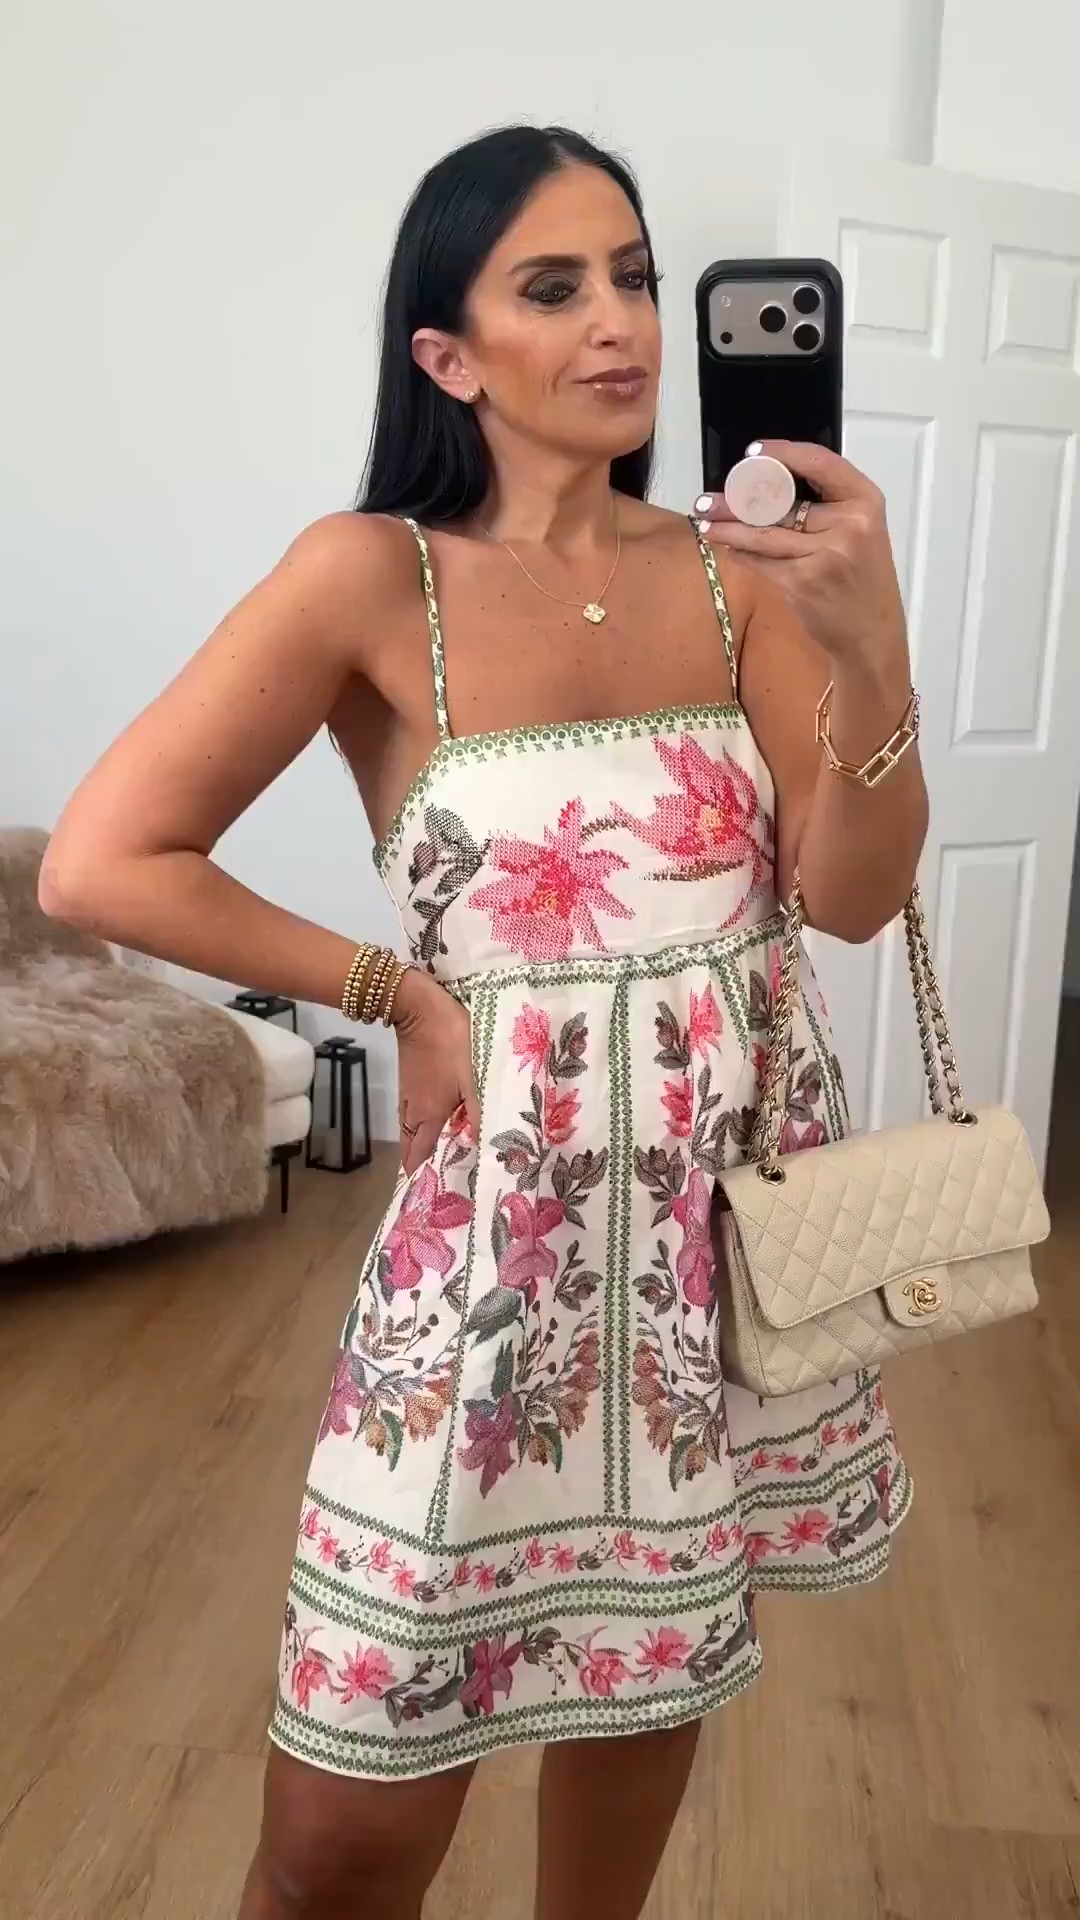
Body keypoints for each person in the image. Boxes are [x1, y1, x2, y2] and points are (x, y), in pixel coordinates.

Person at [42, 124, 927, 1920]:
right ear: (447, 356)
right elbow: (103, 861)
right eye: (554, 286)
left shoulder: (736, 574)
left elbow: (847, 896)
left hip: (714, 1237)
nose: (621, 323)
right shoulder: (371, 576)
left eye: (636, 279)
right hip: (494, 1249)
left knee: (647, 1680)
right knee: (339, 1836)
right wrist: (395, 993)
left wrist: (873, 647)